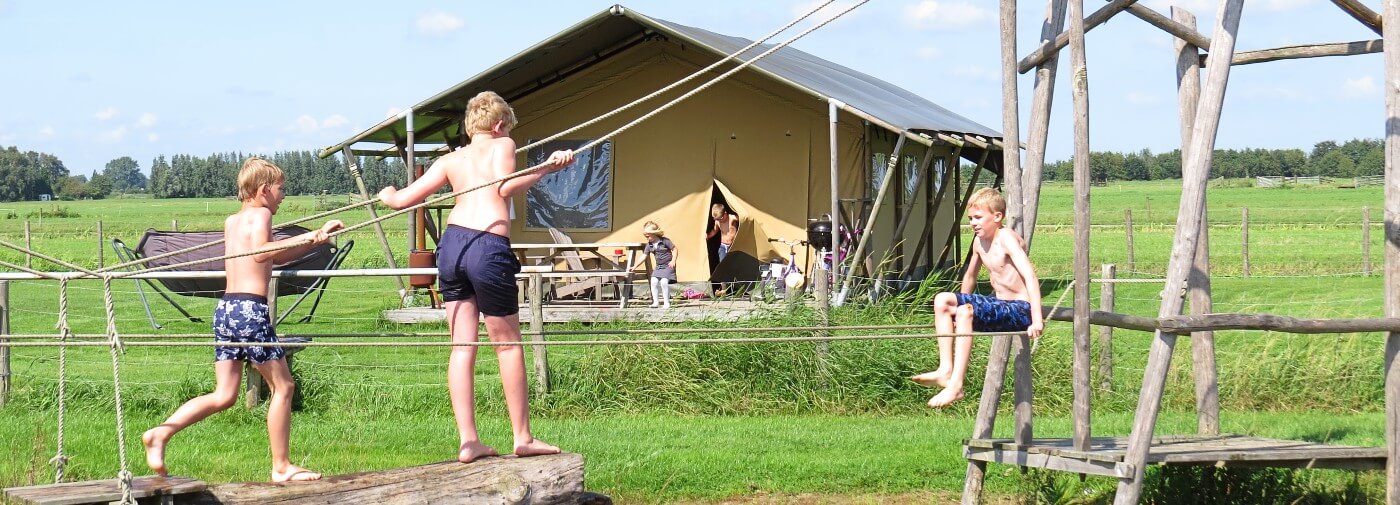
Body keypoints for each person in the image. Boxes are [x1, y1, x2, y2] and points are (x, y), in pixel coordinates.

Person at [377, 91, 574, 463]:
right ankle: (522, 436)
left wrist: (386, 194)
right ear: (500, 125)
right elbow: (504, 187)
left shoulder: (450, 158)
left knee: (461, 346)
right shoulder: (504, 144)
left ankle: (469, 441)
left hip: (452, 247)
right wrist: (547, 167)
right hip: (487, 245)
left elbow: (402, 200)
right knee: (508, 344)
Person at [142, 157, 342, 482]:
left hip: (226, 309)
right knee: (284, 386)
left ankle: (161, 433)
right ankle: (281, 466)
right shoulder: (261, 215)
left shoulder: (232, 221)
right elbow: (262, 252)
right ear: (264, 189)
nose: (283, 196)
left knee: (224, 395)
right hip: (250, 310)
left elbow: (266, 253)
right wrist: (313, 236)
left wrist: (311, 243)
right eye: (281, 189)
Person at [910, 187, 1044, 408]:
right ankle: (945, 369)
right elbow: (970, 276)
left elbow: (1030, 276)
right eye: (971, 218)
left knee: (965, 311)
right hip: (1000, 305)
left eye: (979, 218)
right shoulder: (979, 243)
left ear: (997, 217)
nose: (973, 223)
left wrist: (1037, 319)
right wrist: (959, 305)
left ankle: (956, 385)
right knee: (943, 300)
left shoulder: (1006, 239)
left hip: (1020, 309)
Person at [643, 221, 677, 308]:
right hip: (659, 267)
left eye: (648, 236)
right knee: (653, 281)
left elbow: (675, 249)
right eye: (645, 236)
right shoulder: (649, 245)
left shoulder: (665, 241)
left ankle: (666, 303)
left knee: (664, 282)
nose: (647, 238)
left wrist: (673, 260)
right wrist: (635, 266)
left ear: (654, 233)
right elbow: (644, 256)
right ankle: (656, 302)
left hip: (668, 265)